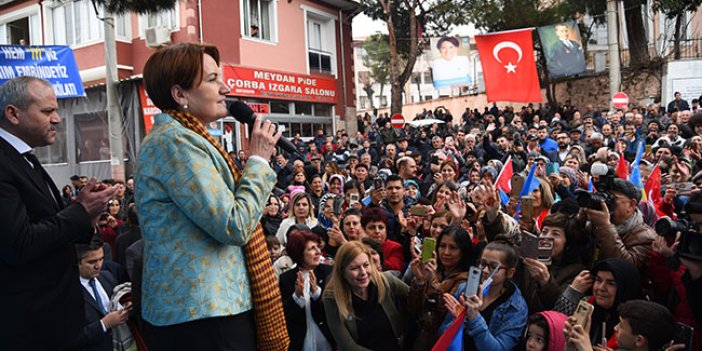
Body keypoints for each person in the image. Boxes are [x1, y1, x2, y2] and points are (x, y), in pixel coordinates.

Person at [136, 43, 287, 350]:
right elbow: (233, 224)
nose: (225, 87)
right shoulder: (175, 143)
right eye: (213, 79)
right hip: (201, 316)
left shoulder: (188, 138)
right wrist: (257, 161)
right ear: (180, 95)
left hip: (211, 311)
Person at [0, 76, 118, 349]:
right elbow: (20, 243)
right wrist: (78, 211)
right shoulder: (5, 162)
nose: (57, 119)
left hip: (55, 324)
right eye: (47, 111)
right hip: (28, 329)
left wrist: (87, 216)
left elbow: (53, 227)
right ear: (13, 114)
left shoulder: (24, 158)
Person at [322, 241, 410, 350]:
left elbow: (413, 298)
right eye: (354, 268)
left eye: (366, 265)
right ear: (342, 272)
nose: (363, 272)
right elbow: (347, 345)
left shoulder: (385, 280)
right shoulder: (332, 297)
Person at [443, 241, 529, 351]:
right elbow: (442, 334)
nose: (485, 270)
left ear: (510, 272)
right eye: (482, 264)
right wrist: (457, 322)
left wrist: (474, 317)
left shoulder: (516, 308)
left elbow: (499, 348)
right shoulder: (465, 289)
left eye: (493, 267)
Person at [407, 225, 476, 350]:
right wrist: (419, 280)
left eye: (453, 248)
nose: (446, 252)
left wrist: (432, 281)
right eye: (442, 246)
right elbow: (413, 308)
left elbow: (444, 315)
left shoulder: (465, 282)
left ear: (464, 251)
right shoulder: (433, 271)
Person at [554, 258, 642, 349]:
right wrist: (573, 293)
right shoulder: (587, 304)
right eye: (598, 280)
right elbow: (554, 332)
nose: (601, 288)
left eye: (611, 283)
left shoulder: (634, 323)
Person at [72, 236, 132, 351]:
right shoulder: (67, 293)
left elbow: (116, 306)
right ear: (77, 262)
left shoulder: (108, 277)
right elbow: (70, 339)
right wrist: (104, 324)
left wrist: (126, 308)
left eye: (101, 259)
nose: (98, 265)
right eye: (92, 262)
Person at [278, 231, 335, 351]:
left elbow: (334, 311)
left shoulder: (328, 272)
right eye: (311, 249)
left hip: (328, 341)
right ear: (299, 253)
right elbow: (285, 316)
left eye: (318, 247)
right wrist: (296, 296)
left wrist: (316, 293)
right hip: (299, 342)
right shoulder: (286, 278)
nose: (318, 252)